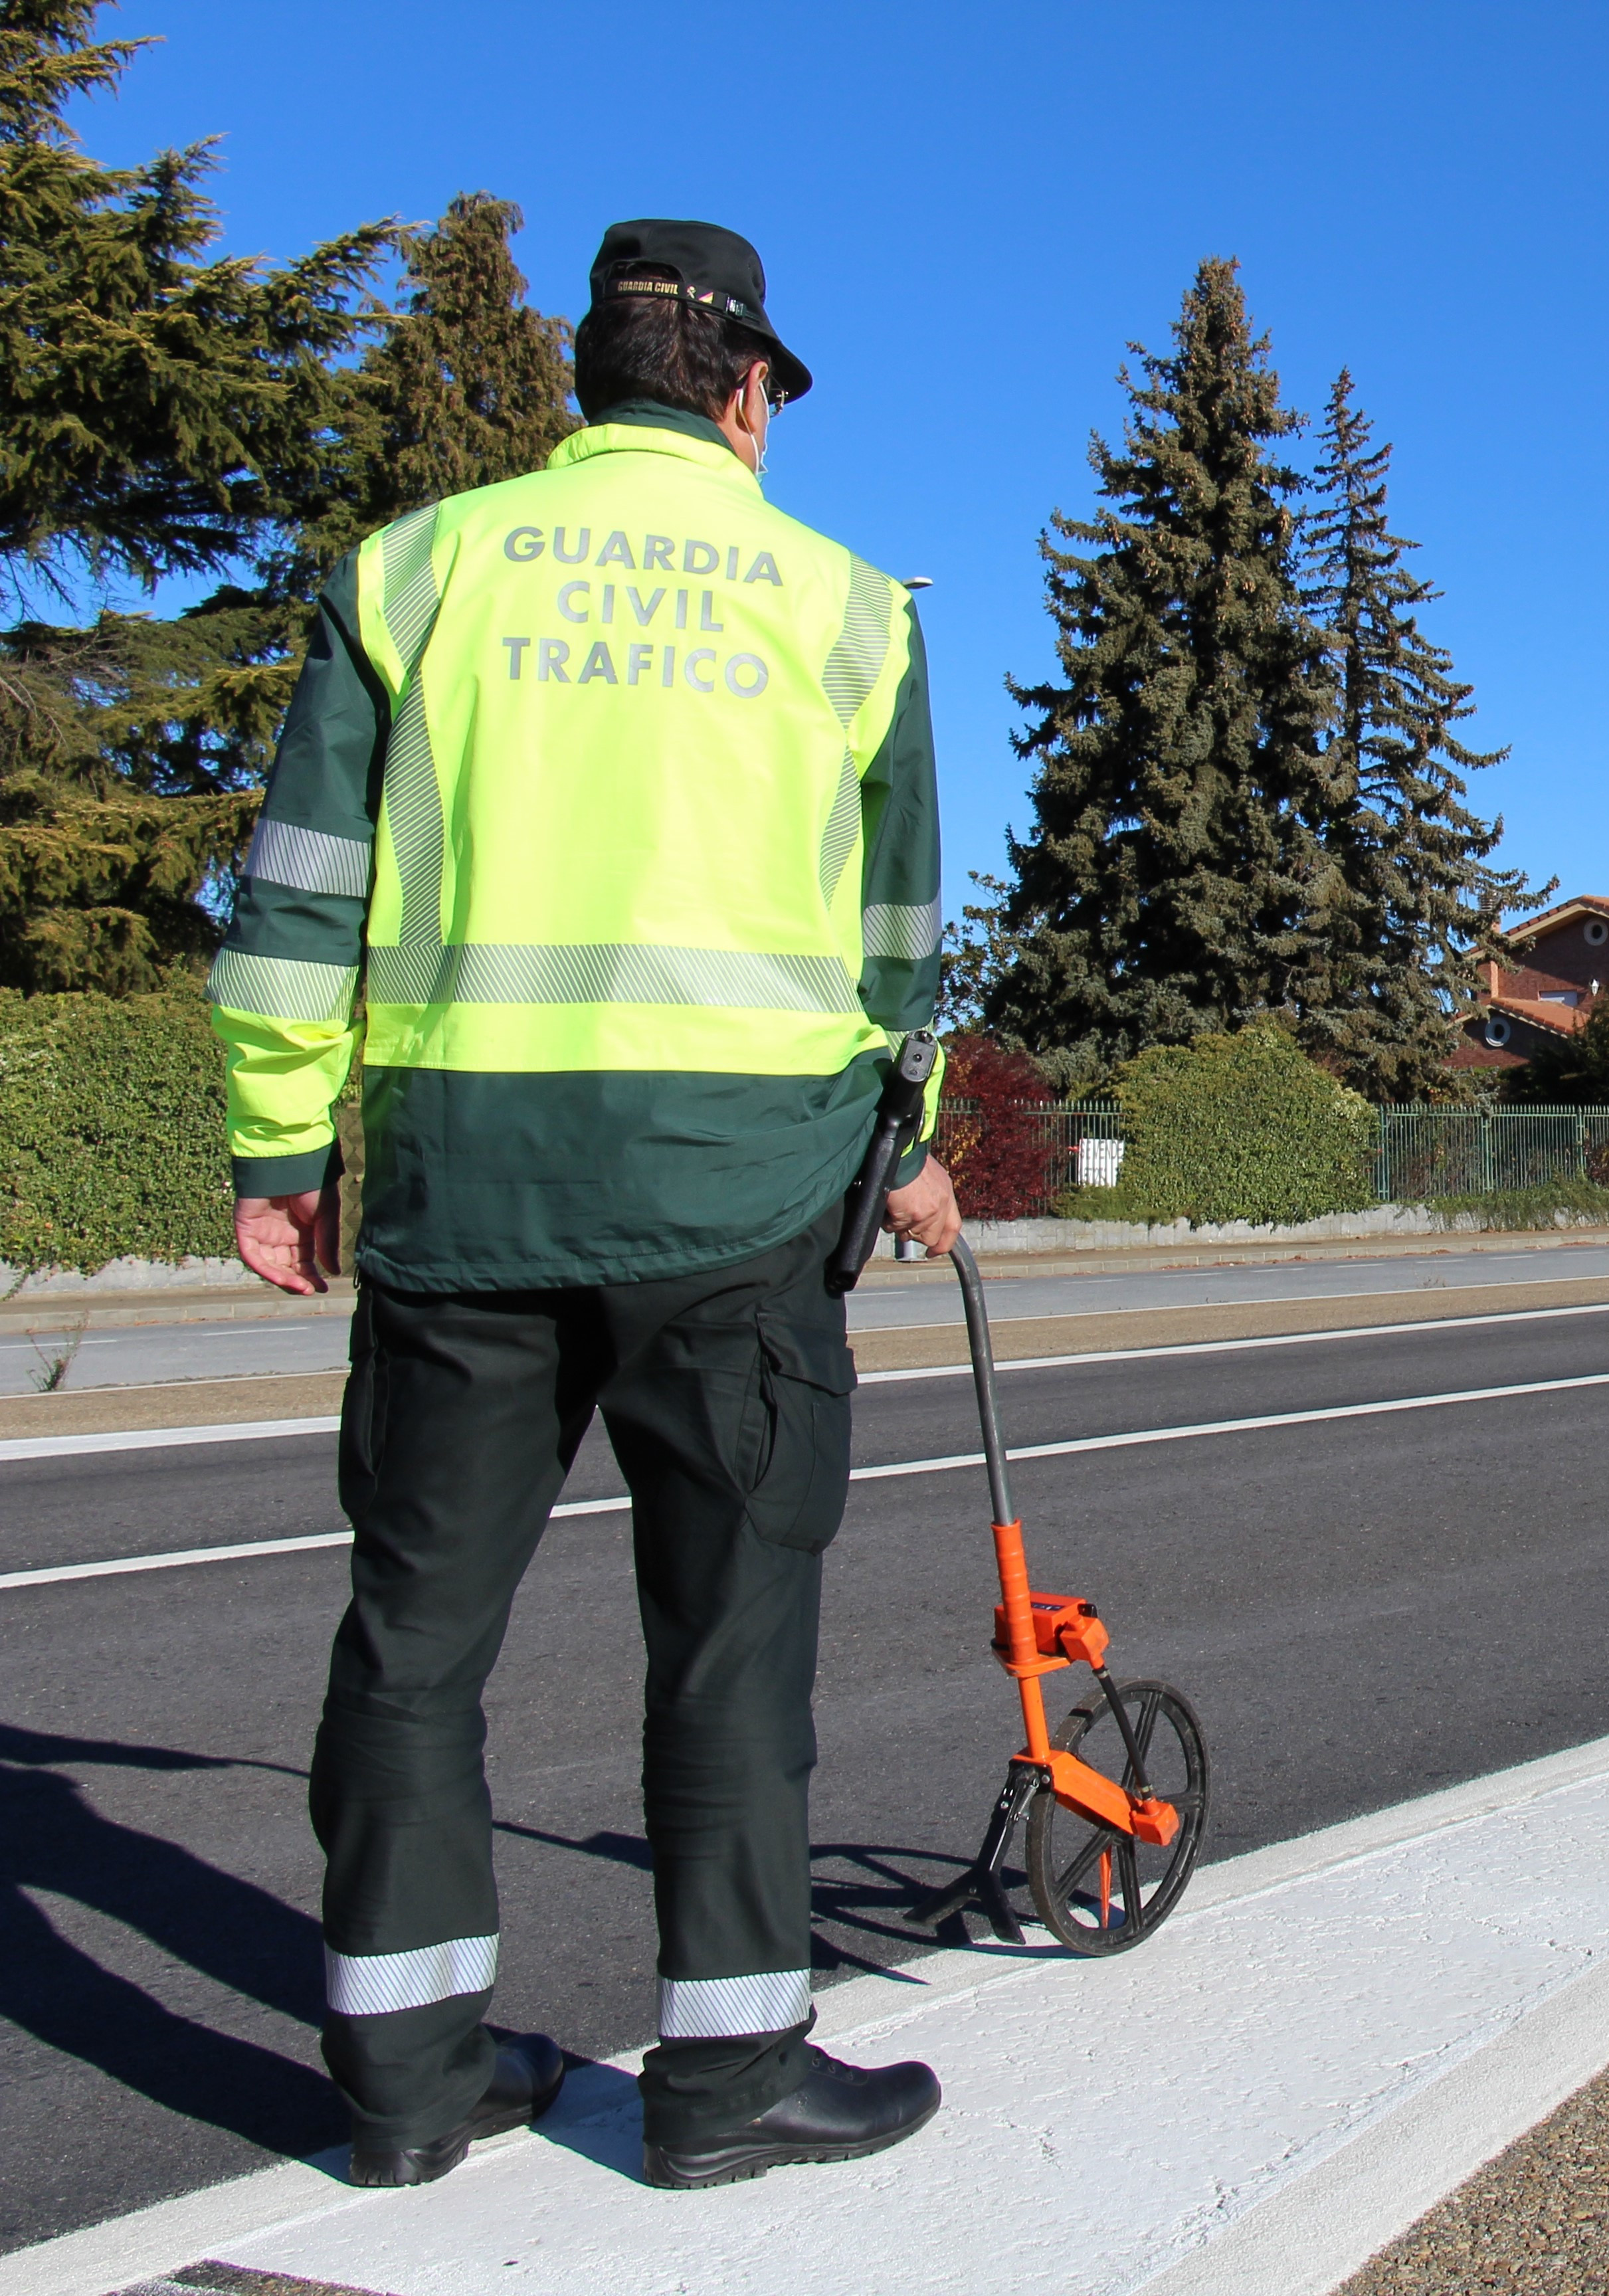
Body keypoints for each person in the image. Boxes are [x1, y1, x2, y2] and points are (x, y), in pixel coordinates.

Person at [210, 219, 961, 2192]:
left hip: (468, 1196)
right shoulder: (851, 610)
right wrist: (904, 1149)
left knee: (415, 1642)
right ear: (741, 391)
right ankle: (724, 2080)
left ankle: (399, 2089)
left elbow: (293, 894)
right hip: (742, 1203)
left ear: (585, 381)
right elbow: (902, 948)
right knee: (725, 1650)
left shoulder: (416, 572)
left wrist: (280, 1152)